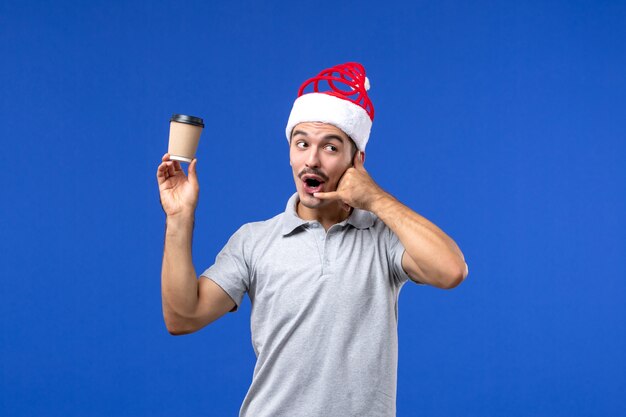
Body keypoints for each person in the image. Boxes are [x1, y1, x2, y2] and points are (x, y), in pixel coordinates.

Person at [156, 62, 468, 417]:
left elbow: (451, 270)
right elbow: (183, 317)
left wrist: (376, 199)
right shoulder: (253, 241)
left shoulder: (384, 239)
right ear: (289, 152)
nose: (312, 160)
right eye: (301, 144)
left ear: (357, 161)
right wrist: (179, 217)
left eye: (331, 148)